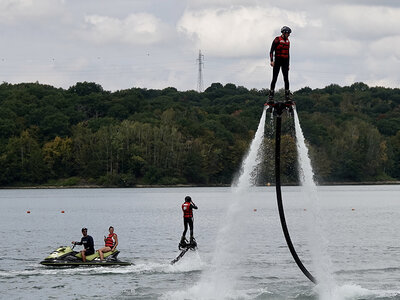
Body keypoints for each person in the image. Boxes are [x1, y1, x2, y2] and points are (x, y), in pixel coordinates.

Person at [267, 26, 292, 105]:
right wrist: (271, 61)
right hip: (277, 61)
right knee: (274, 78)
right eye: (288, 33)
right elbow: (271, 51)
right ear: (284, 33)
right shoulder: (277, 40)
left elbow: (288, 54)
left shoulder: (288, 41)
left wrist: (288, 64)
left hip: (284, 62)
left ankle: (287, 96)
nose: (289, 35)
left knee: (286, 79)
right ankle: (271, 95)